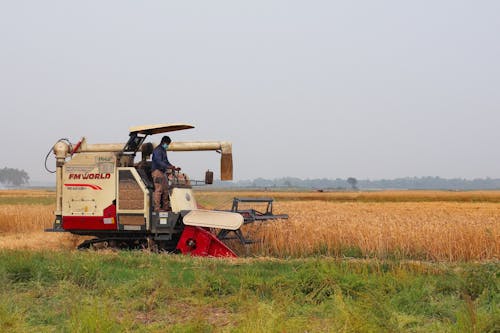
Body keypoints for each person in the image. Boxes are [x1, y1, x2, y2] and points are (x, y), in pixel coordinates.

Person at [151, 136, 180, 211]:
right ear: (164, 142)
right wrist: (169, 167)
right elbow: (159, 162)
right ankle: (157, 208)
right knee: (159, 190)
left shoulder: (163, 150)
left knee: (166, 189)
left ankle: (165, 207)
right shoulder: (157, 150)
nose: (167, 146)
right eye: (167, 144)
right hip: (157, 171)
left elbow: (166, 161)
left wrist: (172, 167)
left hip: (162, 172)